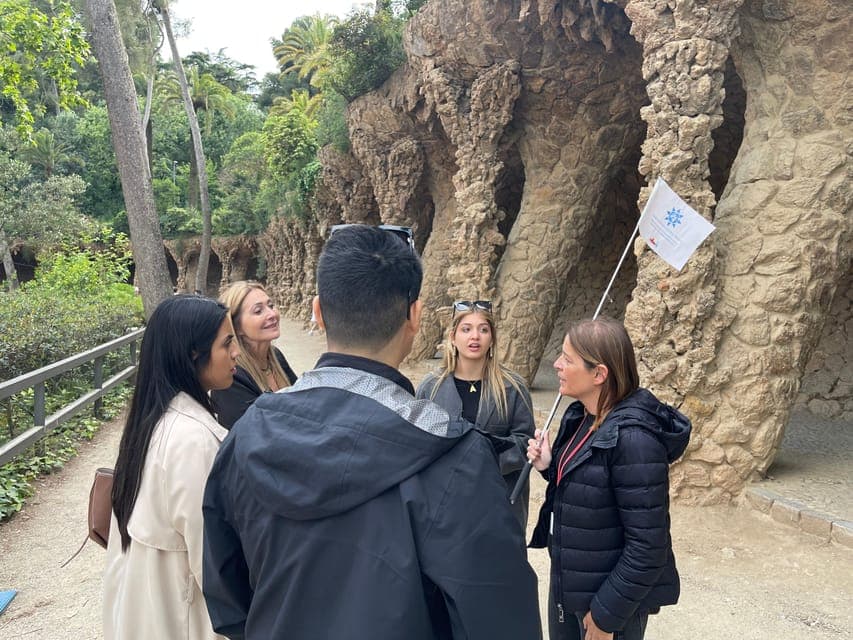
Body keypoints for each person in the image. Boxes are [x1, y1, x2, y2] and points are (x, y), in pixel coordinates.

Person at [202, 225, 541, 639]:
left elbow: (227, 598)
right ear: (414, 316)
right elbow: (499, 616)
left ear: (319, 310)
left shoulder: (246, 436)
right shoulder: (455, 456)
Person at [526, 317, 691, 640]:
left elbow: (648, 548)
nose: (556, 365)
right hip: (571, 584)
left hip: (606, 603)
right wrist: (550, 465)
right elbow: (588, 490)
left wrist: (605, 616)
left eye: (567, 359)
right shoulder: (582, 417)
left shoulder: (635, 441)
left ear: (599, 374)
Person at [104, 295, 240, 640]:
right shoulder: (193, 440)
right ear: (194, 355)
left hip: (145, 613)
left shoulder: (153, 420)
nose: (237, 352)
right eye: (227, 343)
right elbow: (212, 559)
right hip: (185, 619)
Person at [416, 299, 535, 529]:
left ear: (492, 338)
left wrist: (482, 458)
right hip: (443, 510)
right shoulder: (430, 387)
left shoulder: (513, 388)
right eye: (466, 329)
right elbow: (417, 446)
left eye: (483, 329)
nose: (475, 337)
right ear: (453, 336)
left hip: (496, 510)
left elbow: (526, 444)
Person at [211, 281, 297, 429]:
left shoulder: (276, 357)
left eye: (271, 306)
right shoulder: (232, 376)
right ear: (236, 327)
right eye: (258, 311)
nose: (272, 314)